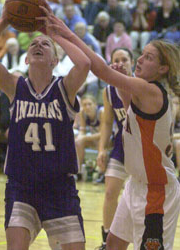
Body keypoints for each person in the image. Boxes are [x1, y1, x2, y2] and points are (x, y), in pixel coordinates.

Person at [46, 14, 180, 249]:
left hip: (156, 192)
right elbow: (134, 120)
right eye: (142, 54)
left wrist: (66, 34)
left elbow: (101, 70)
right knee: (113, 244)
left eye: (148, 58)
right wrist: (122, 86)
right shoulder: (141, 93)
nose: (140, 60)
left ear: (162, 68)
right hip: (136, 185)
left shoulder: (152, 91)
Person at [0, 5, 91, 249]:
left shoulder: (64, 88)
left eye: (45, 44)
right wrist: (4, 20)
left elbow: (84, 64)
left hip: (59, 187)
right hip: (22, 185)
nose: (38, 45)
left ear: (55, 61)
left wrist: (56, 33)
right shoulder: (14, 86)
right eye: (33, 44)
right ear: (26, 59)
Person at [95, 47, 133, 250]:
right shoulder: (108, 90)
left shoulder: (141, 85)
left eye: (124, 59)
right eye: (116, 59)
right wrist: (102, 149)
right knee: (110, 192)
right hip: (121, 145)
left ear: (132, 62)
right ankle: (106, 239)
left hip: (143, 148)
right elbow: (107, 123)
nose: (120, 63)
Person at [75, 94, 103, 180]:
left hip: (107, 140)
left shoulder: (102, 112)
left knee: (100, 142)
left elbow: (103, 134)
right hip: (94, 139)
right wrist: (79, 137)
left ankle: (101, 172)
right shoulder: (82, 113)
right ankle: (78, 171)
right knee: (78, 142)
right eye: (84, 105)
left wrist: (84, 138)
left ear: (95, 104)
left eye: (89, 104)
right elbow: (82, 130)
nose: (87, 107)